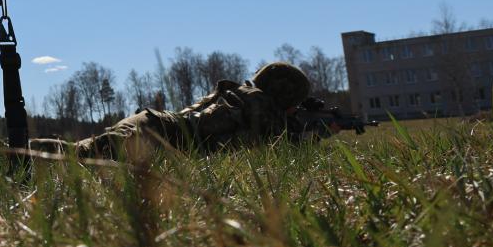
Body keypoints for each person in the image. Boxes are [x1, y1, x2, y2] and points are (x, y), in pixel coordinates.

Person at [26, 62, 312, 163]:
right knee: (80, 157)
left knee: (80, 153)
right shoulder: (257, 102)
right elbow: (282, 141)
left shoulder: (242, 97)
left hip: (154, 124)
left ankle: (15, 152)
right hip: (156, 133)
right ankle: (13, 154)